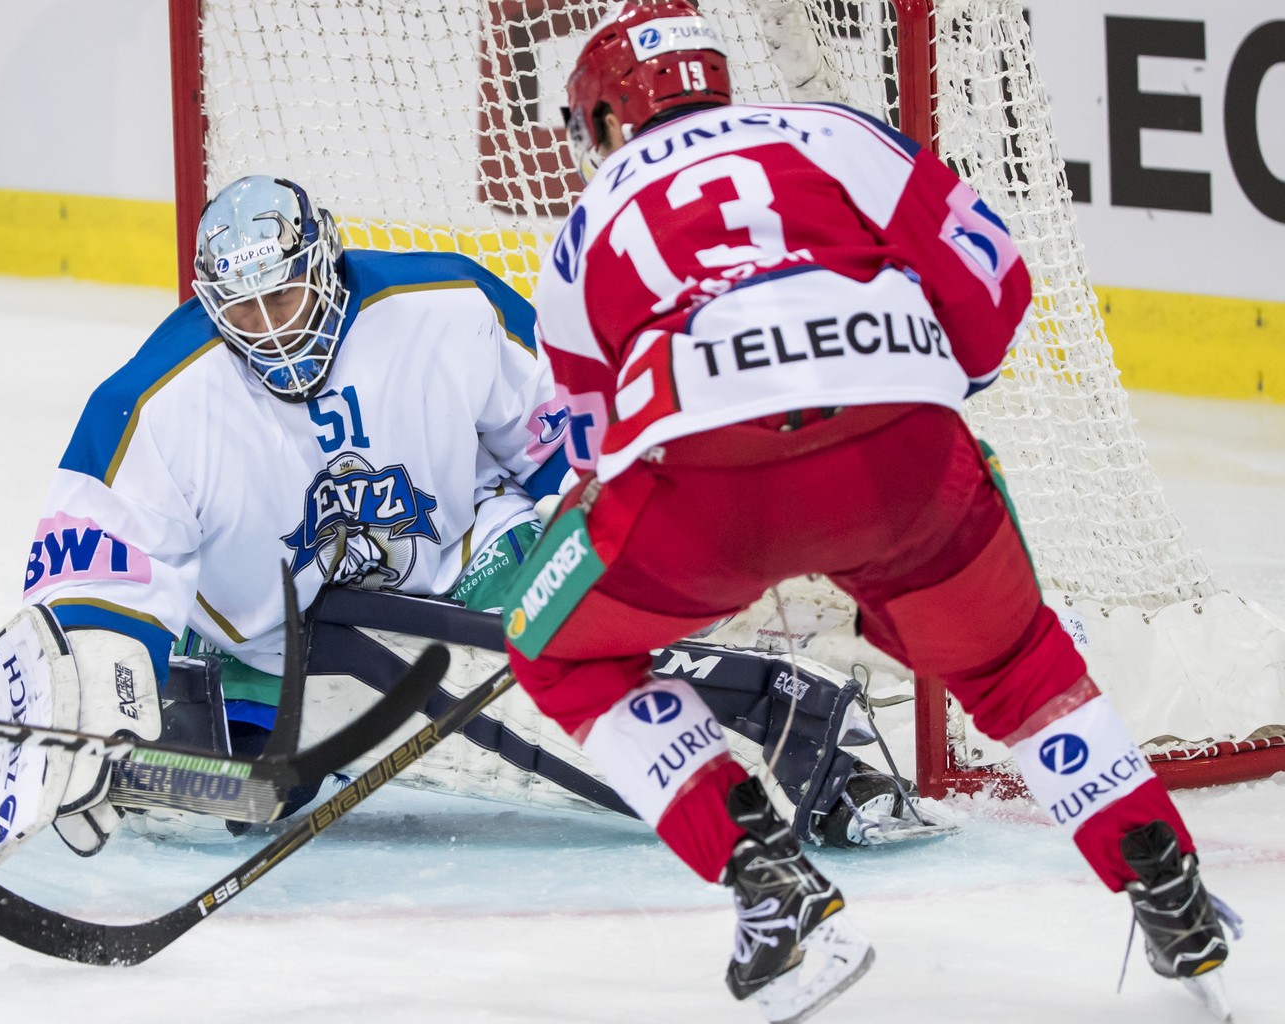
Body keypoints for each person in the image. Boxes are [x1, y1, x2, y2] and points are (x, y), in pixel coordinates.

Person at [499, 3, 1239, 1022]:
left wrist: (555, 563)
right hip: (899, 453)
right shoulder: (835, 133)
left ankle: (762, 872)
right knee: (1012, 662)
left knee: (558, 651)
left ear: (607, 120)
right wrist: (925, 392)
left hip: (708, 487)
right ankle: (1159, 871)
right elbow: (995, 273)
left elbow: (584, 447)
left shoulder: (583, 232)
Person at [0, 173, 570, 859]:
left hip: (466, 562)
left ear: (326, 264)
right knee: (242, 795)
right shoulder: (152, 402)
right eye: (244, 310)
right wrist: (96, 705)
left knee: (589, 641)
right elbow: (98, 564)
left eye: (282, 296)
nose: (270, 330)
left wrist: (602, 533)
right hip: (272, 638)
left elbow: (557, 425)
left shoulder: (448, 304)